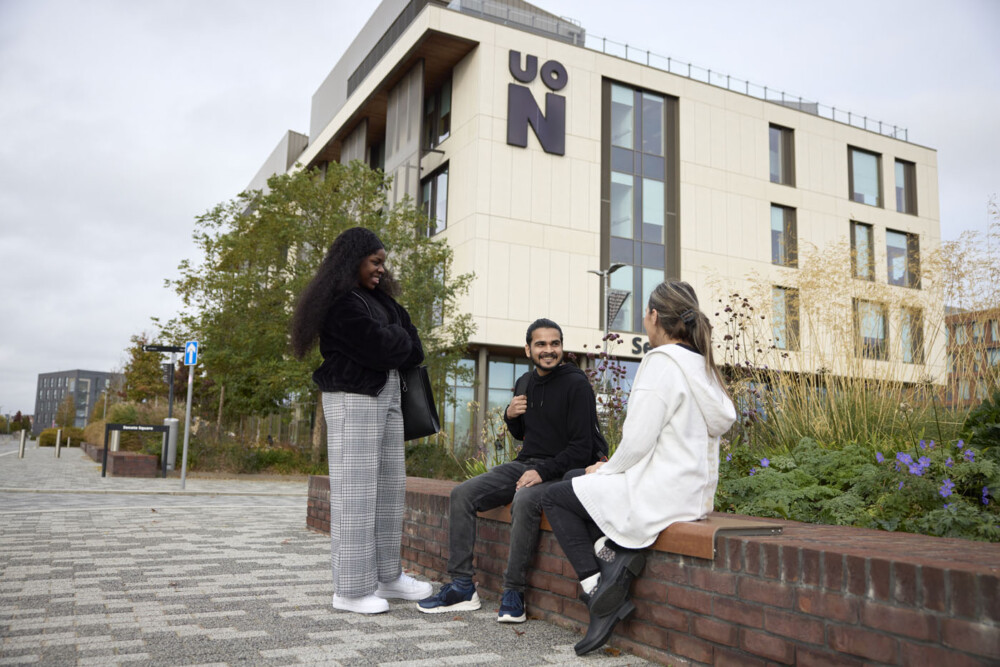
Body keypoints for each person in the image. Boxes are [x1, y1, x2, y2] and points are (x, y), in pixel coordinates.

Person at [541, 281, 736, 655]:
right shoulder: (701, 365)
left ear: (653, 317)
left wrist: (607, 471)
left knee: (556, 496)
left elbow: (638, 440)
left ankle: (596, 592)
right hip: (692, 494)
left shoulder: (662, 363)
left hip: (660, 492)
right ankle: (611, 555)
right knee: (572, 480)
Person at [418, 318, 604, 623]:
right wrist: (510, 417)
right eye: (541, 344)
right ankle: (463, 586)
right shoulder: (524, 382)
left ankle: (513, 591)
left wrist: (543, 472)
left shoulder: (576, 384)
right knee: (462, 494)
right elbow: (523, 435)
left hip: (562, 471)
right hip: (526, 463)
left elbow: (582, 449)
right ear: (528, 348)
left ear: (562, 347)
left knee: (525, 499)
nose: (549, 350)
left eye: (554, 343)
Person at [290, 226, 432, 615]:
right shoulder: (339, 304)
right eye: (375, 262)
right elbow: (382, 346)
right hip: (352, 397)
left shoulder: (381, 302)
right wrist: (395, 339)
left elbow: (413, 348)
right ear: (353, 260)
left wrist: (394, 340)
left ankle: (388, 576)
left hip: (386, 395)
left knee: (389, 492)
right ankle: (350, 590)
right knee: (355, 494)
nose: (382, 270)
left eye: (383, 263)